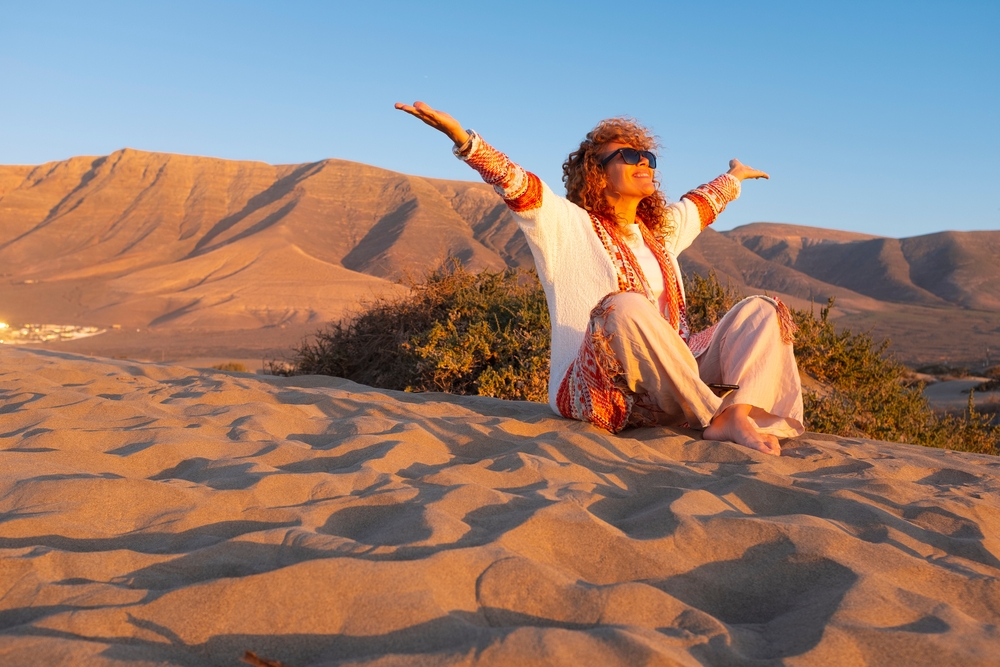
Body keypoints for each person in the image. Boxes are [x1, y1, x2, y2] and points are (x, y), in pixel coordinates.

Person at [395, 101, 804, 456]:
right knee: (621, 306)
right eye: (628, 155)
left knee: (763, 311)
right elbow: (518, 184)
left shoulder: (657, 235)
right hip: (601, 389)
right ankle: (718, 417)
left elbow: (700, 205)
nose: (644, 161)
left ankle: (737, 413)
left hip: (670, 383)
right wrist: (465, 141)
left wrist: (733, 177)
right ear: (596, 173)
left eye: (648, 157)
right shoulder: (567, 226)